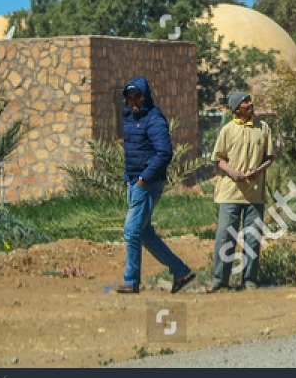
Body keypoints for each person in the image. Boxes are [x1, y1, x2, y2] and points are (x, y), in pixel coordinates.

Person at [116, 77, 195, 294]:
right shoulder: (129, 118)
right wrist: (128, 178)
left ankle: (131, 281)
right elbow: (131, 152)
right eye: (129, 98)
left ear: (145, 97)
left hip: (147, 184)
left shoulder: (154, 119)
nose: (133, 102)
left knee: (131, 231)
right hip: (133, 183)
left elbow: (164, 153)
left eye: (137, 97)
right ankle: (180, 271)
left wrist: (144, 179)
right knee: (144, 234)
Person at [206, 90, 274, 292]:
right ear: (236, 109)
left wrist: (258, 171)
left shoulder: (263, 128)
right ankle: (220, 279)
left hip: (255, 194)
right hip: (230, 193)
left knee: (252, 238)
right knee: (225, 236)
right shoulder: (228, 130)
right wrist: (233, 173)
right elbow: (218, 159)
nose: (251, 104)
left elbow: (269, 157)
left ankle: (249, 279)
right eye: (246, 102)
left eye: (250, 100)